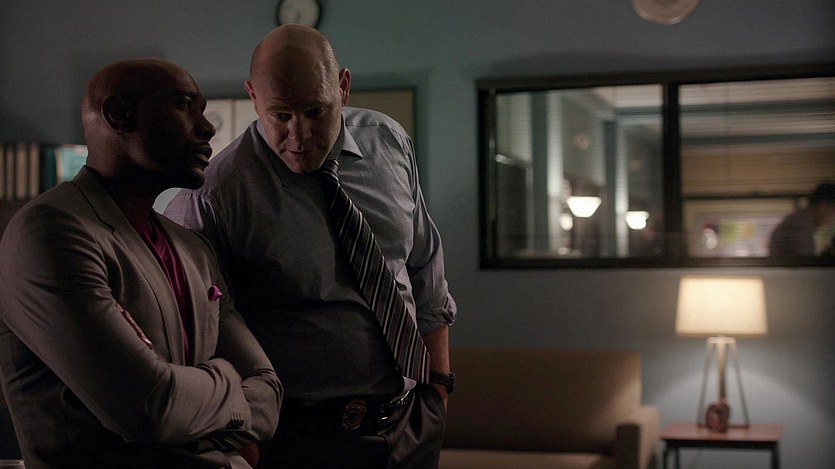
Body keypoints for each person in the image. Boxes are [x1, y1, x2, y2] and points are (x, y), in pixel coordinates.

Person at [165, 25, 457, 468]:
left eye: (315, 111)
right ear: (253, 97)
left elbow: (424, 265)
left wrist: (438, 387)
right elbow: (200, 332)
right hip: (298, 437)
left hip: (410, 423)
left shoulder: (388, 141)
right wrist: (241, 439)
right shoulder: (214, 197)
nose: (298, 136)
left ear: (342, 87)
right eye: (280, 115)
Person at [0, 58, 282, 468]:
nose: (207, 128)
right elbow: (149, 407)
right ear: (120, 115)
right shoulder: (50, 232)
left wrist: (191, 404)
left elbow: (269, 393)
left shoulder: (193, 249)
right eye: (184, 105)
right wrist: (229, 381)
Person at [768, 182, 835, 257]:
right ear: (823, 207)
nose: (833, 218)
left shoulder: (799, 223)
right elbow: (802, 262)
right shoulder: (798, 228)